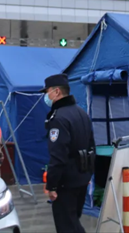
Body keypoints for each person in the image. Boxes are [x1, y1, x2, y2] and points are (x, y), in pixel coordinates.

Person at [41, 73, 95, 233]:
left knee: (67, 226)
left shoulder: (59, 118)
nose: (46, 96)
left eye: (47, 92)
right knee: (73, 221)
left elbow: (58, 157)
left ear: (56, 91)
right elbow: (92, 147)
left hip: (66, 182)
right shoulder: (81, 113)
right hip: (82, 178)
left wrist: (52, 185)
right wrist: (88, 174)